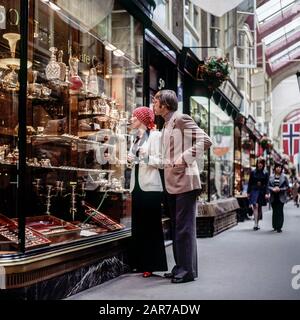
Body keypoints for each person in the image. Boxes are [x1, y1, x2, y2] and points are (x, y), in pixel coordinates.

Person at [153, 89, 212, 284]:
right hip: (172, 182)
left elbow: (206, 140)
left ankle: (187, 271)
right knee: (177, 227)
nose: (153, 104)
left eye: (156, 101)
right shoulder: (166, 124)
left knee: (184, 228)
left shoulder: (181, 119)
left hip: (185, 181)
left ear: (166, 104)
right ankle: (181, 267)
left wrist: (184, 158)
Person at [128, 106, 168, 278]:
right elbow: (136, 161)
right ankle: (139, 263)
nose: (131, 119)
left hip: (150, 187)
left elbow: (162, 162)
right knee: (138, 226)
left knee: (151, 226)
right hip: (136, 186)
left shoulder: (156, 136)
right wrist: (130, 160)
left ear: (143, 120)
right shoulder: (135, 137)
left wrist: (145, 158)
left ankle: (151, 265)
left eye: (134, 117)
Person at [247, 158, 269, 231]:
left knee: (259, 208)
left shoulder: (266, 173)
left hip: (262, 191)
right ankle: (255, 224)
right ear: (257, 164)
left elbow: (267, 184)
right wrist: (248, 192)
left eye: (261, 163)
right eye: (258, 163)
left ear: (263, 164)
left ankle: (257, 222)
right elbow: (250, 182)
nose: (260, 164)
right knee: (255, 205)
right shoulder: (253, 172)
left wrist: (267, 193)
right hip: (254, 190)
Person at [267, 162, 289, 233]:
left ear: (281, 168)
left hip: (281, 196)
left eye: (280, 167)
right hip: (273, 196)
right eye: (277, 167)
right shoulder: (271, 176)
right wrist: (272, 189)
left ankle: (279, 227)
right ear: (275, 168)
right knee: (275, 211)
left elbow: (287, 187)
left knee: (280, 211)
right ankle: (275, 226)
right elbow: (268, 186)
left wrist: (280, 189)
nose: (278, 168)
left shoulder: (284, 176)